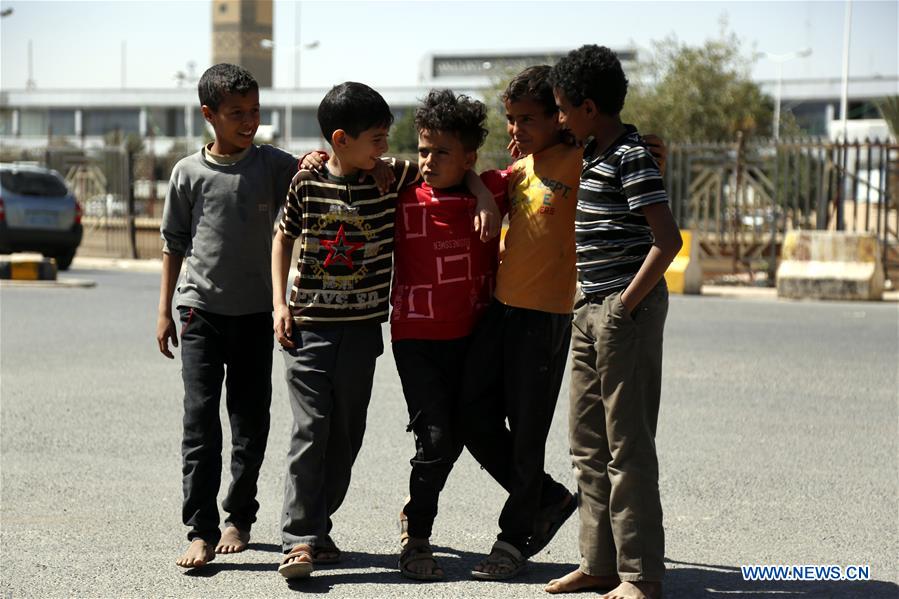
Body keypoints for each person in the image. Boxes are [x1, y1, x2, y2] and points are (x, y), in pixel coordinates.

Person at [271, 82, 499, 580]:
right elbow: (282, 236)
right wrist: (278, 305)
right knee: (311, 429)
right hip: (309, 328)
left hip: (362, 333)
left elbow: (456, 169)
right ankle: (298, 539)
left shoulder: (392, 176)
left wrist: (482, 193)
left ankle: (319, 524)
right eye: (376, 138)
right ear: (340, 139)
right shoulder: (306, 182)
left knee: (347, 433)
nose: (384, 148)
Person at [544, 45, 682, 599]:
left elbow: (667, 240)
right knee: (587, 445)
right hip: (589, 309)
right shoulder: (595, 151)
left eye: (561, 108)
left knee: (628, 446)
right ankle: (599, 564)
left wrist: (623, 306)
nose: (557, 119)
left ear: (589, 107)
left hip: (626, 309)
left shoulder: (629, 156)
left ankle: (641, 575)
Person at [156, 63, 298, 570]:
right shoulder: (187, 173)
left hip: (256, 313)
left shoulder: (274, 165)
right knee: (199, 423)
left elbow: (317, 175)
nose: (248, 120)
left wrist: (321, 159)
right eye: (236, 112)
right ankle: (200, 529)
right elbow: (174, 245)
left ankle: (239, 516)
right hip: (200, 313)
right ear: (209, 115)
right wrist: (164, 312)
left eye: (255, 110)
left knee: (249, 421)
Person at [460, 65, 583, 581]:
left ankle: (513, 538)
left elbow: (638, 147)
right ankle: (549, 497)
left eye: (527, 119)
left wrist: (653, 146)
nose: (516, 130)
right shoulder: (521, 169)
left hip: (547, 318)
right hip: (502, 311)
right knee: (469, 416)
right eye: (511, 120)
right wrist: (487, 194)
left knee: (528, 430)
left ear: (559, 114)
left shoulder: (581, 159)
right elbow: (468, 176)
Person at [391, 90, 508, 582]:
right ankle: (417, 536)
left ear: (468, 157)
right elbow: (345, 160)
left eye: (441, 152)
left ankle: (540, 498)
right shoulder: (400, 189)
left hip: (473, 340)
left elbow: (552, 161)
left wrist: (480, 189)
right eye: (423, 149)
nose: (428, 161)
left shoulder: (495, 191)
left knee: (460, 436)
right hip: (414, 337)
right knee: (436, 438)